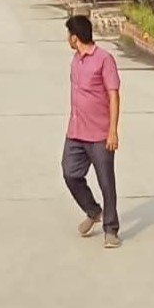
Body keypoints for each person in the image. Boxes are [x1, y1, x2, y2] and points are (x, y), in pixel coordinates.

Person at [62, 15, 123, 249]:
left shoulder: (104, 60)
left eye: (68, 35)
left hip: (99, 134)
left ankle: (111, 229)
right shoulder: (75, 61)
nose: (67, 39)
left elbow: (114, 95)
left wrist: (113, 131)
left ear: (75, 37)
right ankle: (93, 210)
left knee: (106, 182)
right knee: (70, 174)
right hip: (76, 131)